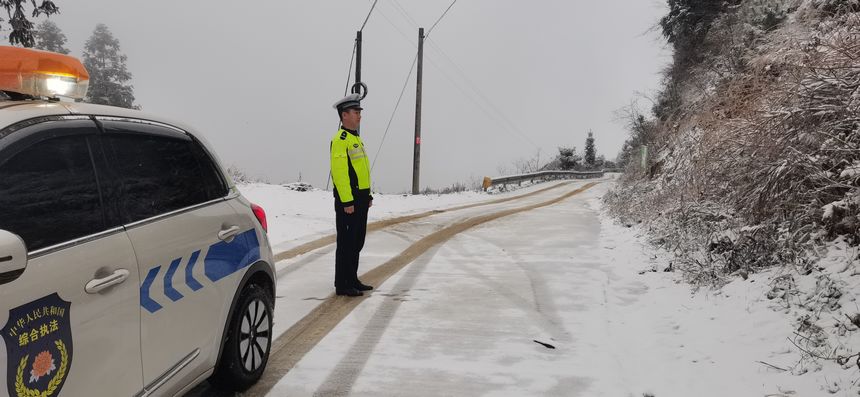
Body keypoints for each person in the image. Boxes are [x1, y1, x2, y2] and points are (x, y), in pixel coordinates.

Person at [330, 93, 374, 297]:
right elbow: (340, 174)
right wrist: (347, 200)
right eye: (355, 112)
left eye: (359, 112)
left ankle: (352, 278)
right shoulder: (340, 140)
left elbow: (361, 170)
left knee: (357, 241)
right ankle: (343, 284)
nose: (359, 116)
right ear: (344, 115)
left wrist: (368, 195)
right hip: (349, 201)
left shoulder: (356, 138)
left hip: (361, 199)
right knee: (346, 242)